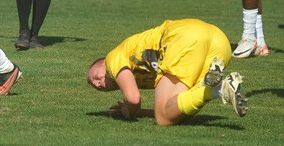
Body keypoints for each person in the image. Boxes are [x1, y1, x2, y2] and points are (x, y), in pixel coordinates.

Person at [87, 18, 248, 126]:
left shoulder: (112, 59)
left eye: (96, 76)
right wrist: (142, 112)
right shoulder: (138, 71)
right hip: (219, 42)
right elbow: (177, 110)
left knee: (163, 119)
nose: (98, 83)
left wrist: (129, 112)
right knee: (179, 112)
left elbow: (134, 98)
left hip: (184, 37)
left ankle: (219, 89)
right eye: (95, 85)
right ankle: (212, 81)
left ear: (103, 64)